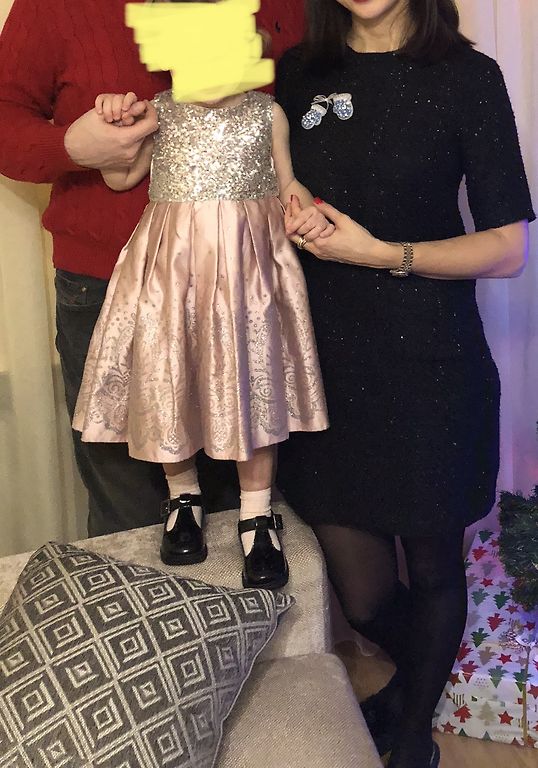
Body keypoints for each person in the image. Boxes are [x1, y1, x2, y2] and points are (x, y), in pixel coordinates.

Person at [275, 0, 535, 766]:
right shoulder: (298, 72)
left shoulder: (466, 76)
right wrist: (288, 206)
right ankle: (412, 689)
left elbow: (507, 248)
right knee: (363, 597)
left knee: (432, 568)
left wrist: (382, 254)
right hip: (324, 364)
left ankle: (413, 733)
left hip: (430, 364)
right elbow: (274, 186)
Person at [72, 81, 330, 588]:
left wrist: (305, 211)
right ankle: (183, 497)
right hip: (171, 268)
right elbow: (121, 177)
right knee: (169, 373)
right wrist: (113, 125)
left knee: (252, 382)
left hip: (248, 269)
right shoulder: (157, 113)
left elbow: (287, 183)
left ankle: (257, 514)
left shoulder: (268, 113)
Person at [0, 0, 241, 536]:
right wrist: (69, 145)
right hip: (105, 284)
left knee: (242, 498)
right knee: (131, 514)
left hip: (240, 282)